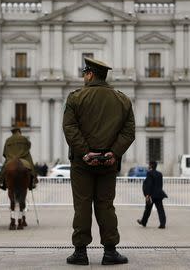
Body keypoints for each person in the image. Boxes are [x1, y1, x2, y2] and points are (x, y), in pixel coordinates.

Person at [63, 57, 135, 266]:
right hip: (109, 163)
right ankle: (110, 252)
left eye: (85, 73)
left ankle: (80, 253)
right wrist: (113, 153)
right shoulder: (122, 99)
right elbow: (129, 132)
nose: (84, 77)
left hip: (82, 164)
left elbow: (69, 128)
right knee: (106, 205)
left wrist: (85, 153)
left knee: (82, 205)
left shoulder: (76, 98)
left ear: (90, 74)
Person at [0, 126, 38, 190]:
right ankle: (32, 182)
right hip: (23, 157)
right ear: (19, 131)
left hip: (11, 158)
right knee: (31, 167)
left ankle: (2, 183)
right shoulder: (24, 138)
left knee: (4, 169)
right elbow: (28, 146)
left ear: (12, 132)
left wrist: (10, 156)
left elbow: (5, 152)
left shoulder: (8, 140)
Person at [137, 161, 167, 229]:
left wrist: (147, 194)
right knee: (160, 210)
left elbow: (149, 184)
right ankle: (162, 224)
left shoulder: (149, 173)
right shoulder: (160, 174)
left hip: (151, 195)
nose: (148, 166)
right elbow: (161, 185)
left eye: (149, 165)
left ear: (150, 166)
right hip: (159, 195)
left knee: (147, 210)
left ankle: (143, 222)